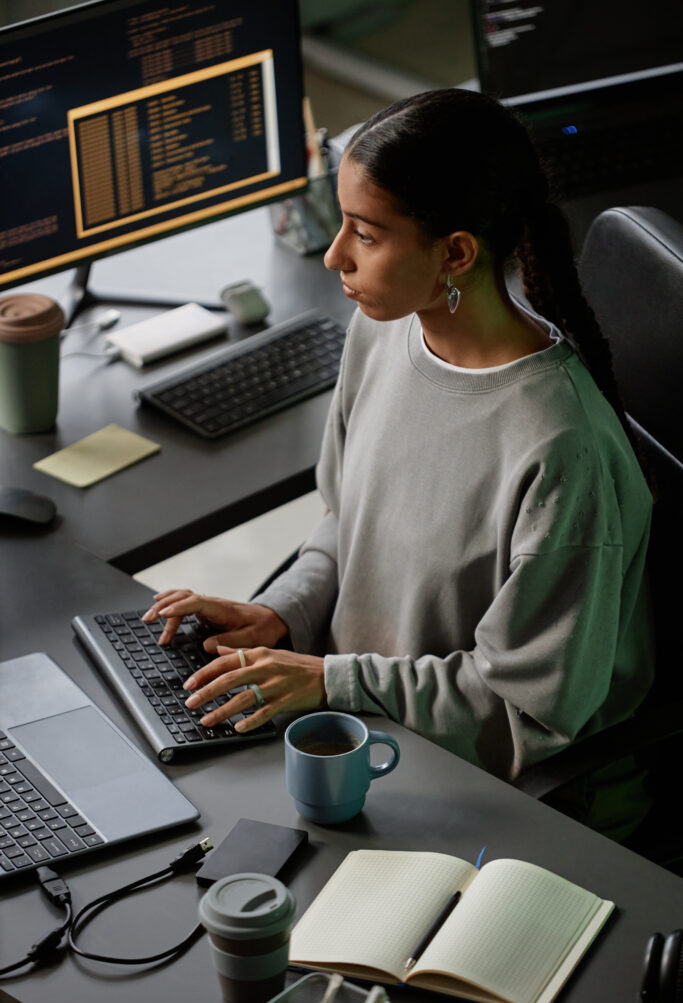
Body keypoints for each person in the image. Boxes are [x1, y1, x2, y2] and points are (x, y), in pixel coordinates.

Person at [143, 88, 654, 834]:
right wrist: (280, 615)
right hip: (359, 725)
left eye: (366, 234)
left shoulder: (560, 448)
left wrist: (328, 682)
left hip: (497, 787)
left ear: (454, 252)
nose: (333, 256)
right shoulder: (383, 328)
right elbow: (346, 521)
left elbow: (523, 707)